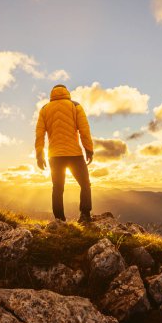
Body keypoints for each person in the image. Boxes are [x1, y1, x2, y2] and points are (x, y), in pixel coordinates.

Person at [35, 84, 93, 223]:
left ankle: (59, 220)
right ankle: (85, 215)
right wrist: (88, 149)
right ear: (67, 92)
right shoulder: (75, 106)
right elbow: (84, 130)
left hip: (54, 156)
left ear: (52, 93)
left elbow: (39, 134)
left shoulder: (44, 109)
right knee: (85, 184)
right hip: (74, 154)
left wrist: (39, 155)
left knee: (58, 188)